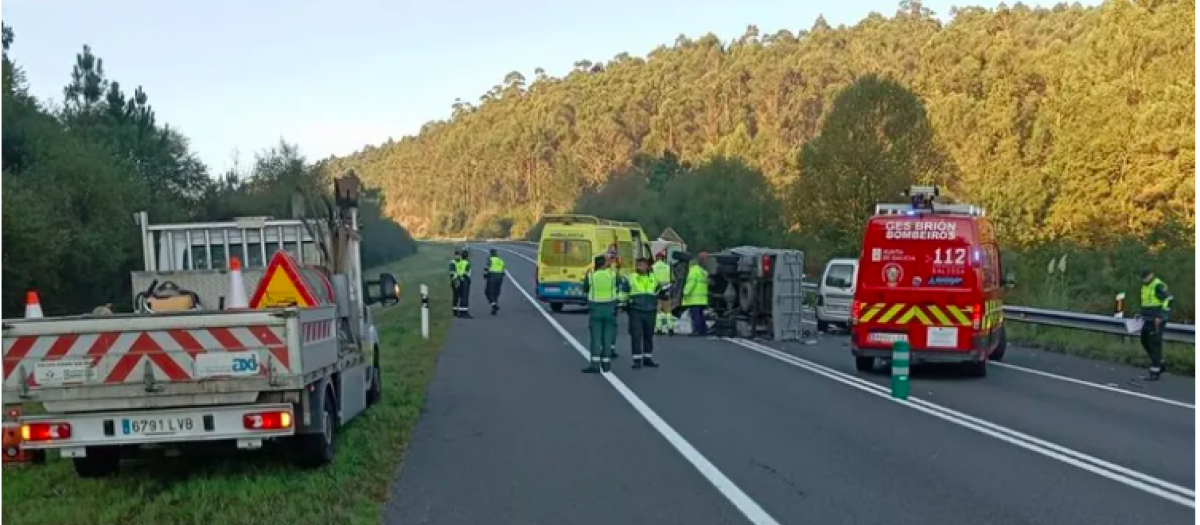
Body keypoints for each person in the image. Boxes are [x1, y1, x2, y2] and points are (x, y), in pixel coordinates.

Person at [581, 255, 619, 373]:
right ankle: (606, 364)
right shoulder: (612, 274)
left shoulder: (591, 276)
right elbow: (618, 285)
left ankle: (595, 365)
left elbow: (585, 289)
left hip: (596, 309)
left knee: (596, 338)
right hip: (610, 309)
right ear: (605, 264)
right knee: (607, 337)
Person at [620, 257, 661, 369]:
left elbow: (658, 292)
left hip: (650, 310)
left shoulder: (653, 278)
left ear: (647, 267)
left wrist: (658, 302)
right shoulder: (631, 278)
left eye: (641, 265)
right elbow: (624, 293)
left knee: (649, 335)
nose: (639, 267)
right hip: (635, 310)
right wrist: (621, 304)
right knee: (636, 335)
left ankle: (648, 358)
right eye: (637, 265)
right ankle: (637, 360)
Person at [1136, 268, 1173, 382]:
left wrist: (1160, 316)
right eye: (1142, 277)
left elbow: (1169, 299)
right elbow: (1147, 302)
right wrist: (1141, 314)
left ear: (1151, 275)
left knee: (1154, 344)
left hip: (1157, 320)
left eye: (1145, 277)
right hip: (1148, 319)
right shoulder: (1145, 286)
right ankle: (1159, 363)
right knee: (1144, 340)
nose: (1143, 279)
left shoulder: (1158, 285)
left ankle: (1155, 371)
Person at [681, 252, 710, 336]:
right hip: (702, 298)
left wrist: (685, 292)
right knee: (701, 315)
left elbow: (691, 283)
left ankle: (697, 330)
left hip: (694, 298)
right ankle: (703, 330)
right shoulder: (703, 271)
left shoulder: (693, 271)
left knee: (695, 315)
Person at [652, 252, 675, 335]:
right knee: (667, 309)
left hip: (657, 288)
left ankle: (659, 329)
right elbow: (672, 278)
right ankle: (670, 328)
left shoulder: (653, 267)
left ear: (656, 258)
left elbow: (651, 278)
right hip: (666, 288)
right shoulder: (667, 267)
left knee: (658, 309)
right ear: (663, 258)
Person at [484, 249, 506, 315]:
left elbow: (487, 267)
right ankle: (494, 309)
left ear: (491, 253)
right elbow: (504, 270)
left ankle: (494, 305)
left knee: (488, 292)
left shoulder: (490, 259)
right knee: (496, 293)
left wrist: (485, 275)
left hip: (492, 276)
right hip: (500, 277)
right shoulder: (501, 260)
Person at [451, 250, 473, 319]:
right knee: (464, 297)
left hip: (455, 280)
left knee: (456, 296)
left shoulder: (456, 262)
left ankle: (455, 311)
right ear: (467, 256)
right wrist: (468, 280)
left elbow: (453, 272)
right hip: (463, 281)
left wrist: (455, 279)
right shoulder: (466, 263)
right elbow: (466, 274)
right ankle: (463, 312)